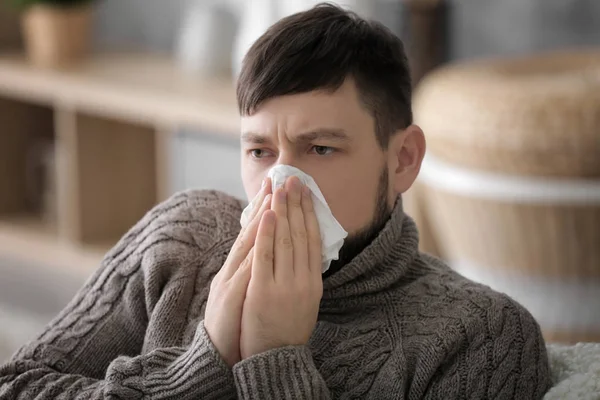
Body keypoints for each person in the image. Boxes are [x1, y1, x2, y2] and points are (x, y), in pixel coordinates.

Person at [0, 3, 551, 399]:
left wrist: (275, 363)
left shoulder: (480, 336)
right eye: (261, 151)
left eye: (321, 148)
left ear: (402, 159)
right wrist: (203, 363)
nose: (282, 185)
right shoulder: (182, 237)